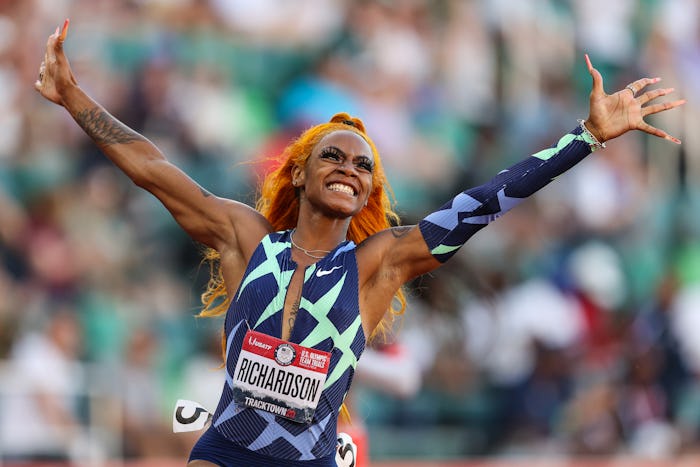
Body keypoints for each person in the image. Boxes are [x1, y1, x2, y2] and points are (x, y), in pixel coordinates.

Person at [34, 18, 685, 467]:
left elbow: (483, 204)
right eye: (334, 156)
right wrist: (71, 96)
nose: (350, 166)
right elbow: (152, 168)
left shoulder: (379, 262)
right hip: (224, 453)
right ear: (299, 170)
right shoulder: (242, 236)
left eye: (363, 163)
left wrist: (586, 138)